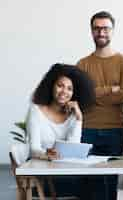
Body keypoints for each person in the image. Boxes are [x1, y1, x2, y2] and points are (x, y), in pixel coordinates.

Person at [77, 11, 123, 200]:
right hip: (87, 129)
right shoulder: (82, 64)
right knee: (89, 181)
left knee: (110, 181)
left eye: (105, 28)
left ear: (112, 31)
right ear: (91, 31)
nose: (101, 32)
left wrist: (94, 94)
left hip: (114, 130)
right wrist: (110, 89)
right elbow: (82, 97)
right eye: (97, 28)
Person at [26, 63, 96, 197]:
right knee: (85, 186)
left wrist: (79, 118)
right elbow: (33, 149)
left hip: (63, 171)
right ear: (51, 86)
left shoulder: (72, 115)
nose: (64, 91)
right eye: (60, 86)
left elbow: (74, 146)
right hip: (42, 173)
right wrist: (47, 154)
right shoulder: (36, 110)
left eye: (69, 88)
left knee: (93, 183)